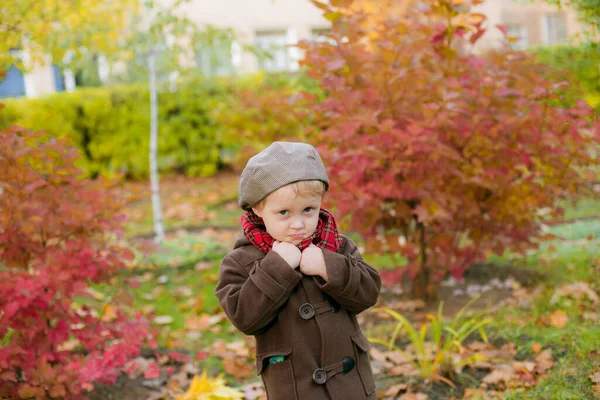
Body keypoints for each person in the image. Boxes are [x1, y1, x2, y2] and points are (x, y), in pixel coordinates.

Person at [215, 142, 381, 400]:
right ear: (258, 209)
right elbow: (244, 317)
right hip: (295, 389)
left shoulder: (336, 245)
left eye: (308, 210)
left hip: (351, 387)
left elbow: (368, 294)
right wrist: (276, 268)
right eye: (283, 212)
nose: (298, 224)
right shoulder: (241, 261)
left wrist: (329, 266)